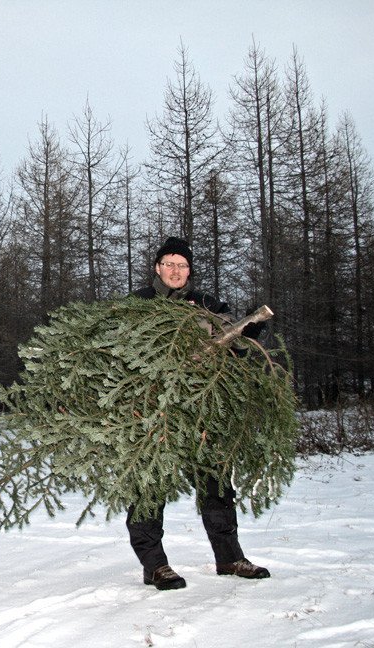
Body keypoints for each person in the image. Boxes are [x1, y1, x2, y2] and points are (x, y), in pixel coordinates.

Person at [128, 236, 270, 590]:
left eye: (182, 265)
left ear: (189, 270)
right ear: (157, 267)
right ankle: (155, 565)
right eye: (169, 264)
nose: (176, 271)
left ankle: (230, 557)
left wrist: (248, 334)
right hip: (154, 413)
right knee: (149, 486)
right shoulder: (138, 304)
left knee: (217, 483)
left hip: (203, 410)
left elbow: (233, 350)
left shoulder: (207, 304)